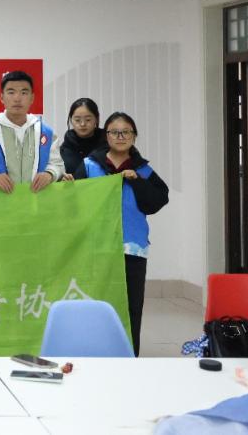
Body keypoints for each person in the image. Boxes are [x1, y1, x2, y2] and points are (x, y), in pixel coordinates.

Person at [75, 112, 169, 356]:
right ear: (106, 136)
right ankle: (94, 352)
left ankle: (129, 354)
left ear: (134, 136)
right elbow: (73, 201)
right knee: (96, 302)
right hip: (97, 248)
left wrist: (136, 181)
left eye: (126, 132)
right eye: (114, 132)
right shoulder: (90, 165)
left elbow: (156, 201)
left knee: (131, 305)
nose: (120, 136)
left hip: (132, 248)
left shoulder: (143, 170)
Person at [0, 70, 65, 192]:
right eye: (11, 92)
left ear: (32, 98)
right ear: (2, 97)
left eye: (24, 92)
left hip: (36, 202)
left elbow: (58, 164)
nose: (17, 98)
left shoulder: (46, 133)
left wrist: (50, 174)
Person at [60, 97, 106, 177]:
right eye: (77, 120)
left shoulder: (107, 144)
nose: (82, 124)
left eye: (88, 120)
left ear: (96, 119)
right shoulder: (64, 149)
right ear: (71, 120)